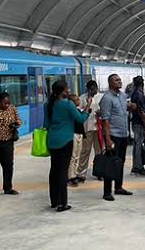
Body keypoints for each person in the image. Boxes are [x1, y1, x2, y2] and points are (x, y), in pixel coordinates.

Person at [44, 80, 88, 212]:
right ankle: (62, 203)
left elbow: (46, 124)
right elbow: (80, 119)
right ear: (63, 90)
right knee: (63, 172)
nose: (69, 90)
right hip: (65, 141)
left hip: (52, 140)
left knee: (54, 170)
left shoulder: (48, 105)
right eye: (67, 88)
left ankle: (54, 201)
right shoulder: (68, 104)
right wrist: (87, 110)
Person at [99, 74, 138, 201]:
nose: (119, 82)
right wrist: (108, 139)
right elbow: (105, 120)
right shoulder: (106, 98)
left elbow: (121, 109)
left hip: (123, 134)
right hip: (113, 136)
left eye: (120, 79)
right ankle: (107, 191)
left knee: (120, 162)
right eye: (116, 80)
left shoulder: (122, 96)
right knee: (110, 163)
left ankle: (118, 187)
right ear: (110, 83)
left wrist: (130, 106)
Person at [75, 80, 101, 183]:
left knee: (99, 151)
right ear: (88, 89)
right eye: (92, 89)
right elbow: (79, 111)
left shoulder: (100, 97)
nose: (94, 91)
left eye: (95, 89)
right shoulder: (82, 98)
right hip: (87, 128)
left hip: (98, 129)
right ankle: (81, 173)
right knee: (85, 151)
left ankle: (99, 172)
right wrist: (87, 106)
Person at [130, 76, 145, 177]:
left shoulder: (136, 93)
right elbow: (141, 112)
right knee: (139, 145)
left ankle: (136, 166)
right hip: (139, 123)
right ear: (142, 83)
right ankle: (138, 167)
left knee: (137, 145)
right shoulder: (138, 95)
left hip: (136, 122)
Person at [67, 94, 88, 186]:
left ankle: (75, 174)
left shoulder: (78, 110)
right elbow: (80, 119)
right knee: (72, 156)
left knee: (77, 156)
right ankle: (70, 176)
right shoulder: (70, 111)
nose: (78, 101)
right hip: (73, 134)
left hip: (80, 134)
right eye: (76, 100)